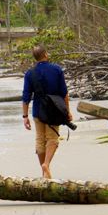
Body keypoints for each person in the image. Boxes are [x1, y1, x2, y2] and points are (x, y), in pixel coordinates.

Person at [22, 45, 72, 179]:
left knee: (40, 139)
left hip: (38, 111)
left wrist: (25, 116)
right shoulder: (56, 69)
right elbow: (64, 93)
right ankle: (46, 165)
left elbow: (26, 97)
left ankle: (44, 173)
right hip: (54, 110)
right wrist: (67, 111)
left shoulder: (30, 73)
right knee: (52, 139)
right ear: (45, 54)